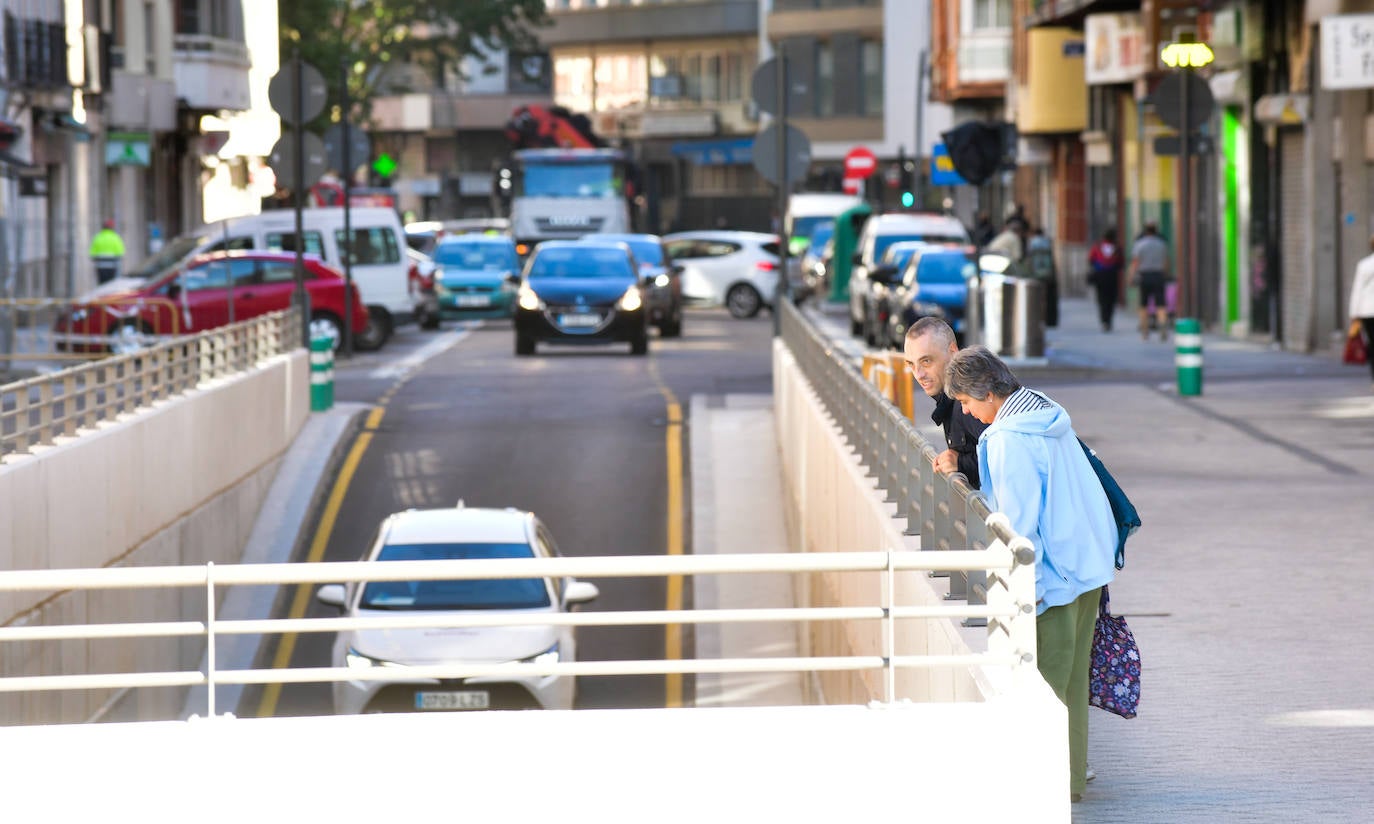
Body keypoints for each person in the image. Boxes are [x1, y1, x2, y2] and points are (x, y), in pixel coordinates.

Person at [944, 345, 1116, 803]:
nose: (967, 412)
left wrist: (1027, 593)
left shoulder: (1007, 439)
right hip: (1088, 567)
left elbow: (1018, 526)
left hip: (1054, 579)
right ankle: (1072, 780)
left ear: (988, 393)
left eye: (966, 401)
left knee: (1046, 687)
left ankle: (1047, 792)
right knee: (1073, 686)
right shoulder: (1045, 411)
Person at [901, 317, 987, 487]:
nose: (918, 374)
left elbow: (1006, 455)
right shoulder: (952, 396)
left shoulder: (970, 397)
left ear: (953, 352)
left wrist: (961, 463)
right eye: (911, 365)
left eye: (926, 361)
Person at [1128, 222, 1170, 341]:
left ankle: (1145, 330)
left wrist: (1131, 276)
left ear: (1146, 231)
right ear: (1156, 231)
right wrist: (1165, 274)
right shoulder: (1162, 244)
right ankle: (1162, 326)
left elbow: (1135, 262)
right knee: (1161, 304)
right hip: (1158, 276)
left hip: (1144, 276)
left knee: (1143, 305)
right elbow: (1166, 261)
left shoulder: (1139, 244)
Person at [1087, 228, 1124, 332]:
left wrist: (1098, 266)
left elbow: (1091, 259)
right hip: (1112, 276)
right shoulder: (1117, 248)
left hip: (1100, 276)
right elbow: (1121, 262)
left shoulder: (1097, 246)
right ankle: (1109, 320)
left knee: (1102, 298)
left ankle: (1104, 320)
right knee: (1111, 299)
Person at [1349, 234, 1374, 387]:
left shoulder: (1364, 265)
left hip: (1366, 311)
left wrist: (1353, 313)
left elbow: (1357, 290)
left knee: (1371, 343)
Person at [1025, 226, 1059, 327]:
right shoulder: (1047, 242)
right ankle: (1050, 320)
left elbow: (1029, 259)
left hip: (1035, 274)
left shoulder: (1032, 243)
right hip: (1048, 274)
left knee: (1036, 298)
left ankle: (1037, 318)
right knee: (1049, 298)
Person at [89, 218, 126, 285]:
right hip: (112, 266)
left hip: (100, 266)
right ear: (112, 228)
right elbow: (120, 252)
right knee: (111, 284)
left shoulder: (98, 237)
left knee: (102, 284)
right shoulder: (115, 237)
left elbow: (92, 253)